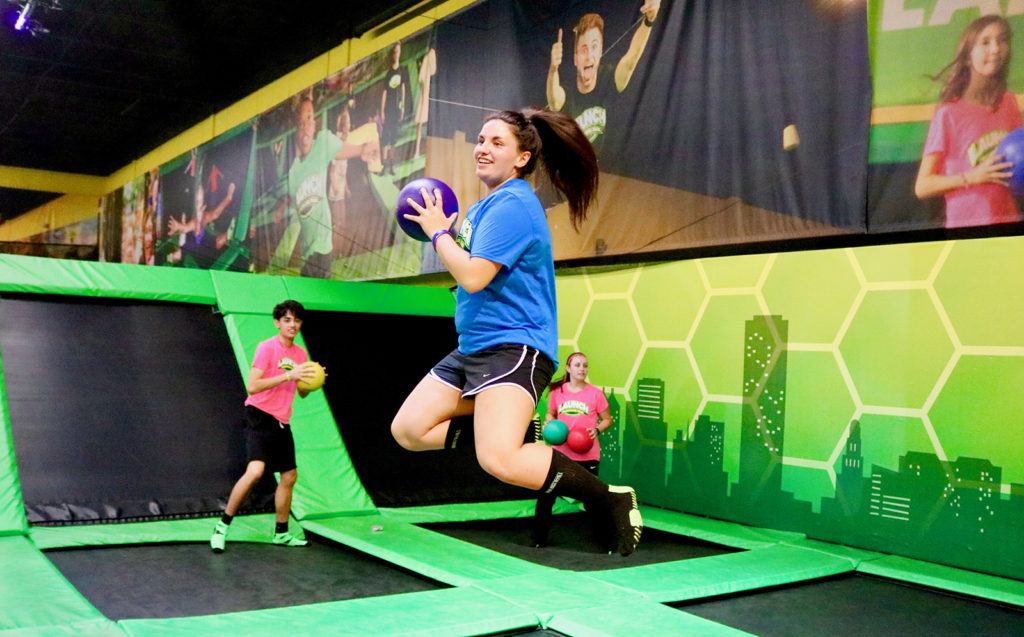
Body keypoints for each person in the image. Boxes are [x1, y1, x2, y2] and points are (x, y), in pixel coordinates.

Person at [390, 107, 643, 556]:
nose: (483, 149)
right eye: (481, 140)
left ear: (523, 158)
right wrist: (449, 229)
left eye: (497, 143)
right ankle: (506, 428)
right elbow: (470, 260)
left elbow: (472, 277)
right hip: (474, 350)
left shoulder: (514, 206)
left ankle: (608, 498)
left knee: (498, 460)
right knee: (409, 429)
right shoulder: (484, 208)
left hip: (515, 347)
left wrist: (436, 234)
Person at [210, 299, 321, 553]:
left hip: (282, 420)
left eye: (297, 320)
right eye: (287, 320)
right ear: (277, 323)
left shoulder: (301, 354)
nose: (293, 325)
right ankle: (221, 527)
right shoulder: (266, 348)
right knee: (256, 471)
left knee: (289, 476)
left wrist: (314, 379)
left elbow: (301, 393)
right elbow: (253, 386)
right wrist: (288, 375)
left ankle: (281, 533)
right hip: (259, 414)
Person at [915, 15, 1022, 228]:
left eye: (1002, 40)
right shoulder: (948, 113)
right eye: (985, 42)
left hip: (1008, 224)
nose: (995, 49)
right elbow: (922, 186)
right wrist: (972, 177)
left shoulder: (1008, 102)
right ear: (967, 56)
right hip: (967, 231)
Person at [546, 1, 661, 146]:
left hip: (602, 166)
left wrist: (649, 21)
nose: (589, 56)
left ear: (600, 52)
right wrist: (553, 69)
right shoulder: (567, 92)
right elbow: (554, 100)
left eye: (594, 47)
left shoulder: (609, 78)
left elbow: (631, 59)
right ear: (576, 59)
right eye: (584, 49)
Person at [532, 352, 612, 548]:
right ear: (568, 369)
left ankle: (607, 543)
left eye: (585, 366)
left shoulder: (595, 393)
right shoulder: (558, 392)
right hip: (560, 454)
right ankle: (538, 541)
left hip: (587, 454)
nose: (582, 369)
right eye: (577, 365)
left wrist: (597, 429)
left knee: (593, 501)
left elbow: (607, 419)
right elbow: (550, 413)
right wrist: (549, 422)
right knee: (546, 497)